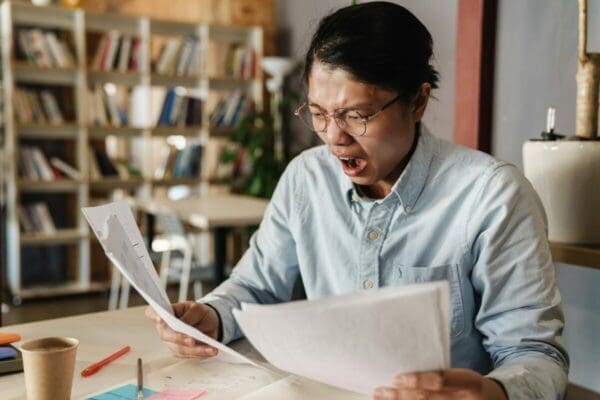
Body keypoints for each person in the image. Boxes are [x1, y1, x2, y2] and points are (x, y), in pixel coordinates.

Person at [146, 2, 569, 399]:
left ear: (418, 100)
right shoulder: (305, 179)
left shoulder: (491, 196)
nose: (334, 136)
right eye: (318, 112)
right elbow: (254, 286)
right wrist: (212, 316)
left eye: (356, 115)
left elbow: (536, 355)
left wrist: (491, 392)